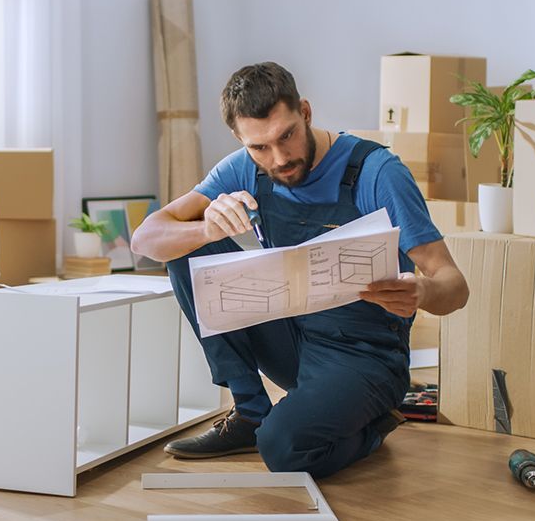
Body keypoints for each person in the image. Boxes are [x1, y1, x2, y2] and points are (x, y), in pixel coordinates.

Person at [130, 62, 469, 478]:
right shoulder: (243, 167)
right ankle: (251, 412)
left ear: (305, 112)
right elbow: (145, 240)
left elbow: (455, 286)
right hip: (292, 336)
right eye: (260, 147)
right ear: (240, 140)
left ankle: (375, 424)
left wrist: (420, 292)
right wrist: (207, 225)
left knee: (283, 450)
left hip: (363, 356)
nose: (279, 158)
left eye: (286, 136)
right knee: (185, 248)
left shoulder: (378, 173)